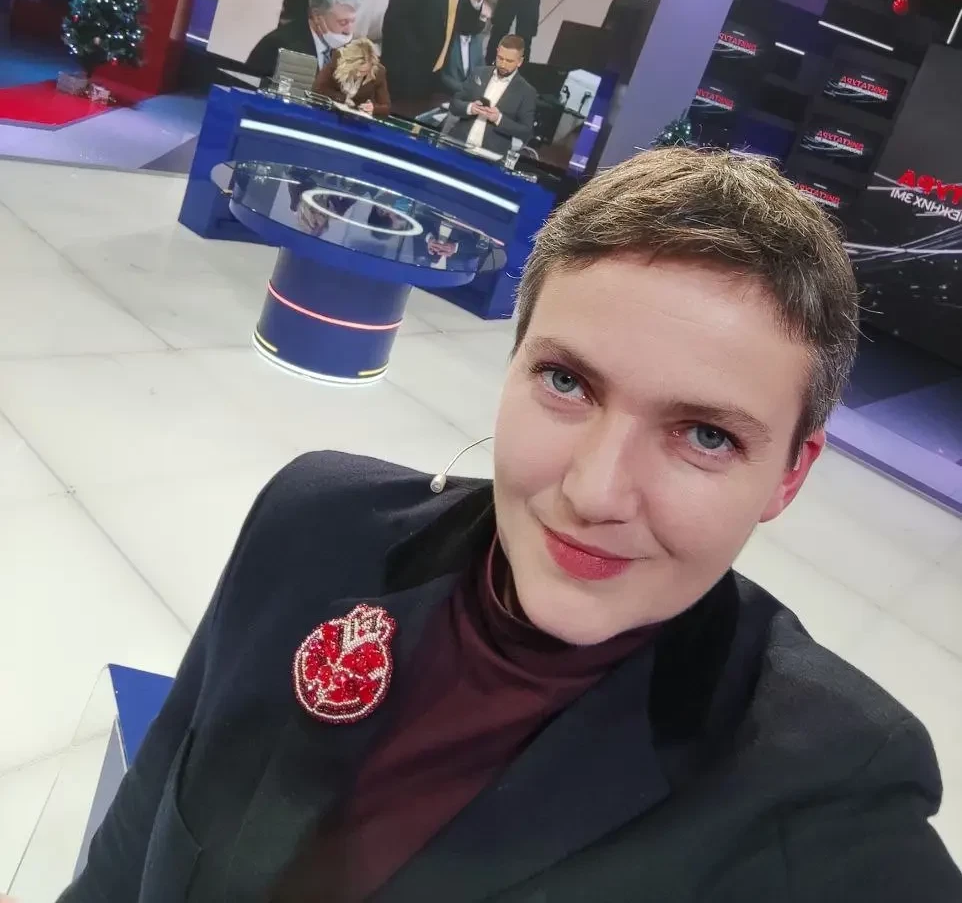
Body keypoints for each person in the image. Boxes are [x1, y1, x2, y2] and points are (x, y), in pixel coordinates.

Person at [59, 148, 962, 903]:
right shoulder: (311, 525)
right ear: (514, 361)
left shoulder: (825, 788)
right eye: (567, 383)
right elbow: (134, 843)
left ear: (791, 474)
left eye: (705, 435)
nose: (596, 491)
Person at [244, 0, 361, 82]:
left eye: (353, 21)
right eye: (343, 22)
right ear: (317, 16)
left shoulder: (351, 53)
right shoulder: (279, 46)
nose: (349, 30)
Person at [446, 33, 537, 155]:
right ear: (497, 51)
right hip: (456, 144)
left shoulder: (526, 91)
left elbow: (526, 131)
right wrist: (470, 108)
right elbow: (454, 104)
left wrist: (499, 119)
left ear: (520, 62)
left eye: (509, 61)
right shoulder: (479, 72)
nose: (503, 64)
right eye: (500, 58)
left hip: (490, 154)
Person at [312, 37, 391, 117]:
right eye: (356, 70)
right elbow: (318, 89)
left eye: (364, 72)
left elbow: (386, 107)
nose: (359, 75)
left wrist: (373, 108)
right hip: (328, 112)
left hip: (354, 118)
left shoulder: (378, 73)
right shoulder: (338, 60)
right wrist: (343, 99)